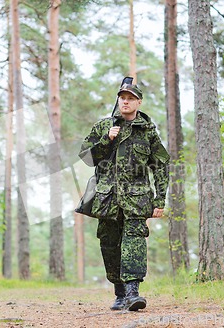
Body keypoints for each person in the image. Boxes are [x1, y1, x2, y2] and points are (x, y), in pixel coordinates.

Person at [78, 82, 170, 311]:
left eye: (130, 98)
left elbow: (161, 165)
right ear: (118, 100)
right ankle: (119, 293)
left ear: (139, 102)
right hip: (107, 199)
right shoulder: (103, 127)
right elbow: (86, 158)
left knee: (134, 244)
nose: (125, 101)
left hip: (137, 200)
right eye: (122, 97)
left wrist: (160, 201)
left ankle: (133, 293)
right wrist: (106, 140)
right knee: (110, 245)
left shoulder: (147, 131)